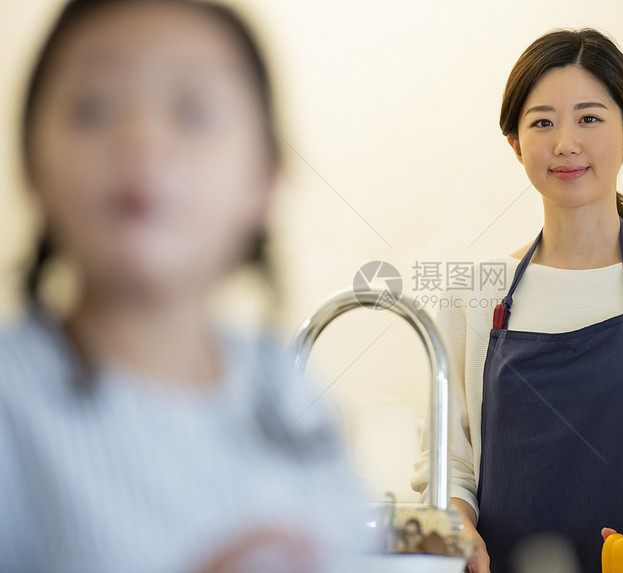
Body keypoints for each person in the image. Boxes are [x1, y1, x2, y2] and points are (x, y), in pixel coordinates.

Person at [0, 1, 364, 571]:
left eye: (193, 112)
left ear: (265, 175)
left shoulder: (290, 394)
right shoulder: (12, 401)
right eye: (94, 108)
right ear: (29, 160)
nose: (141, 140)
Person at [411, 28, 623, 573]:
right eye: (542, 121)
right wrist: (459, 531)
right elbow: (449, 466)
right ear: (515, 144)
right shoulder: (474, 294)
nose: (565, 142)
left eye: (590, 118)